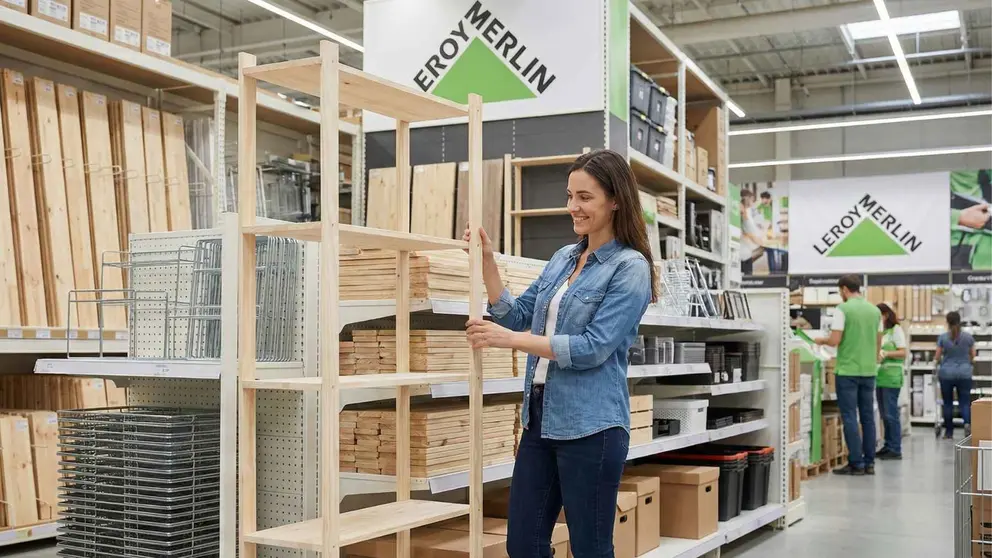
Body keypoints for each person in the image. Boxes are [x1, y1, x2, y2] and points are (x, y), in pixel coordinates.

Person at [462, 149, 655, 558]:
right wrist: (486, 263)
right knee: (524, 546)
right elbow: (517, 317)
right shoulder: (563, 258)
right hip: (539, 419)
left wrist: (507, 341)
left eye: (585, 197)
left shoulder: (629, 267)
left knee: (590, 548)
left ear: (615, 199)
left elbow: (592, 348)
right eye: (570, 196)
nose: (573, 207)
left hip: (592, 427)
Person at [816, 274, 882, 476]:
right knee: (868, 417)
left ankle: (856, 463)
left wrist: (820, 341)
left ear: (844, 289)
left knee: (850, 417)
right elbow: (878, 342)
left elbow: (835, 340)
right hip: (869, 370)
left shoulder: (842, 309)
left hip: (847, 371)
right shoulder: (875, 311)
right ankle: (870, 462)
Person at [935, 311, 976, 439]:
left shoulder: (943, 338)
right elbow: (973, 355)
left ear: (947, 322)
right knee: (964, 402)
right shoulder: (968, 337)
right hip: (964, 373)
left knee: (948, 403)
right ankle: (967, 425)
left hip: (946, 373)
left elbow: (937, 356)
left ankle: (948, 432)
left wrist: (942, 361)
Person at [875, 303, 906, 460]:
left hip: (892, 378)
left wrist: (886, 353)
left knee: (890, 413)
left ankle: (895, 448)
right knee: (884, 414)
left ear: (886, 315)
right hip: (880, 377)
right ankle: (888, 445)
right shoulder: (882, 332)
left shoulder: (896, 330)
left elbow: (903, 352)